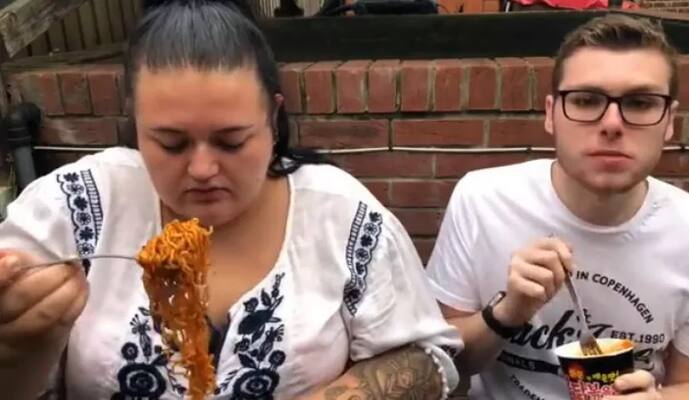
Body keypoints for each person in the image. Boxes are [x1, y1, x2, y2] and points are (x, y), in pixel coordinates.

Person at [0, 1, 462, 399]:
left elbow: (428, 358)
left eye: (232, 141)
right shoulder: (71, 206)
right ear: (135, 124)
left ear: (273, 119)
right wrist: (19, 350)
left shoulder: (339, 214)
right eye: (171, 144)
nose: (202, 168)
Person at [425, 14, 689, 400]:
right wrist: (508, 312)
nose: (612, 123)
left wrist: (660, 399)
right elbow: (444, 363)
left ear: (669, 121)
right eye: (585, 100)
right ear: (551, 114)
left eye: (640, 103)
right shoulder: (482, 200)